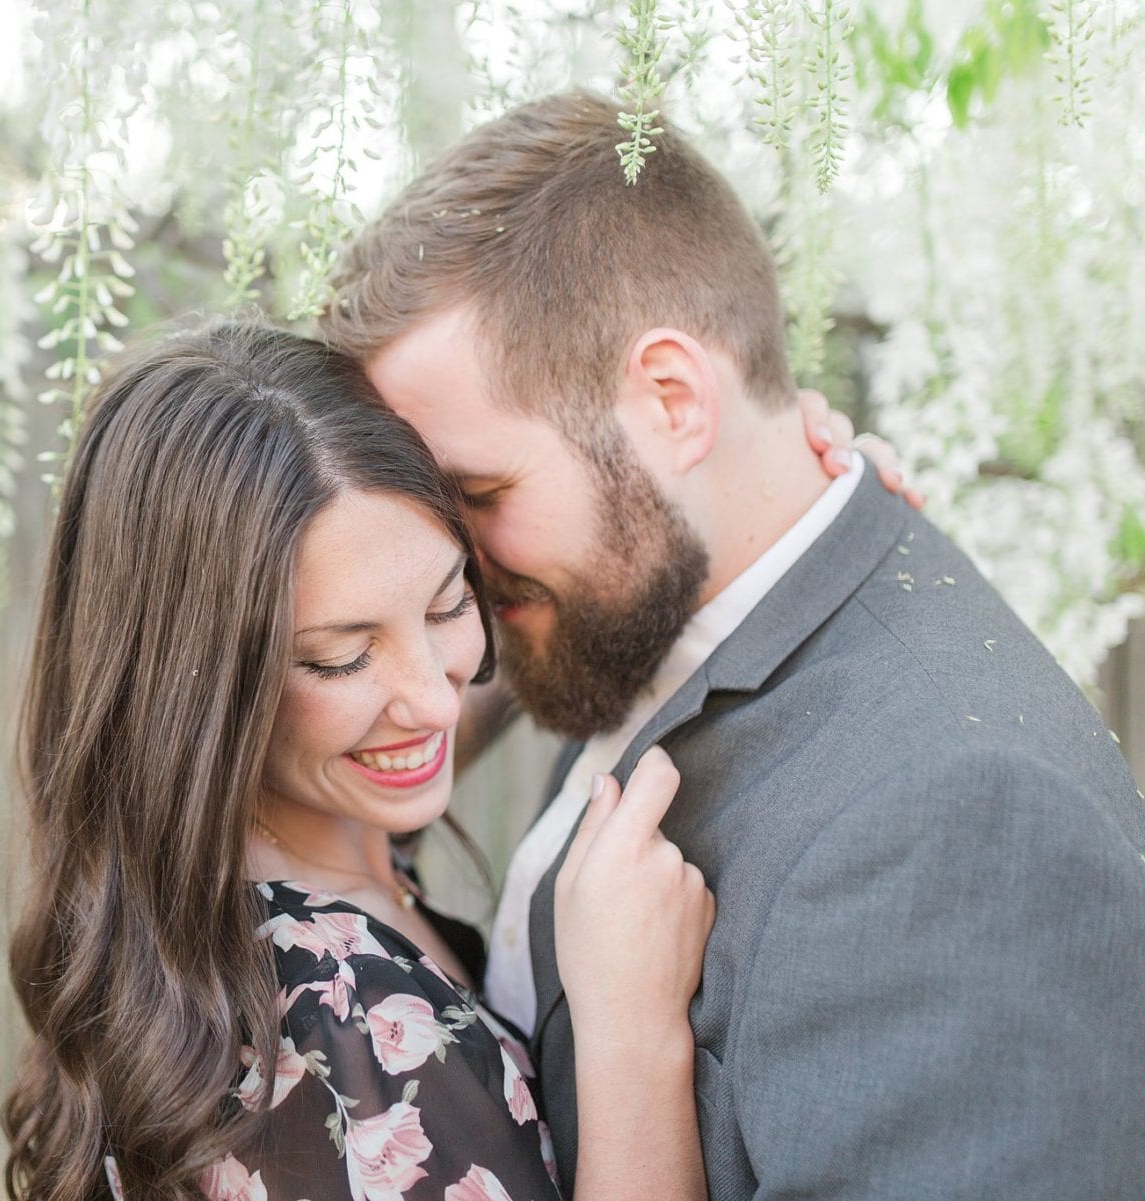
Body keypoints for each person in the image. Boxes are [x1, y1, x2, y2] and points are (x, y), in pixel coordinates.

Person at [319, 90, 1145, 1198]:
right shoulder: (647, 604)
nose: (454, 561)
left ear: (670, 400)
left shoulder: (954, 822)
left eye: (480, 490)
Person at [0, 322, 883, 1201]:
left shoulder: (305, 841)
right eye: (342, 657)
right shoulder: (324, 1037)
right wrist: (631, 1034)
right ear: (196, 693)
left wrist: (789, 506)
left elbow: (548, 637)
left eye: (449, 602)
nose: (435, 699)